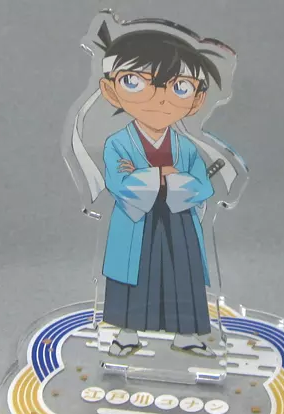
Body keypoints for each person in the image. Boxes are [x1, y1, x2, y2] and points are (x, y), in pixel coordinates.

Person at [89, 22, 225, 358]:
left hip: (178, 220)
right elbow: (118, 183)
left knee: (181, 273)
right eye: (135, 82)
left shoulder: (186, 146)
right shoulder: (118, 143)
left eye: (180, 87)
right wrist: (162, 176)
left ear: (197, 99)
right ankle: (127, 333)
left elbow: (202, 186)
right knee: (133, 274)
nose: (160, 98)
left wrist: (164, 179)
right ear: (110, 90)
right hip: (136, 219)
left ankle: (186, 334)